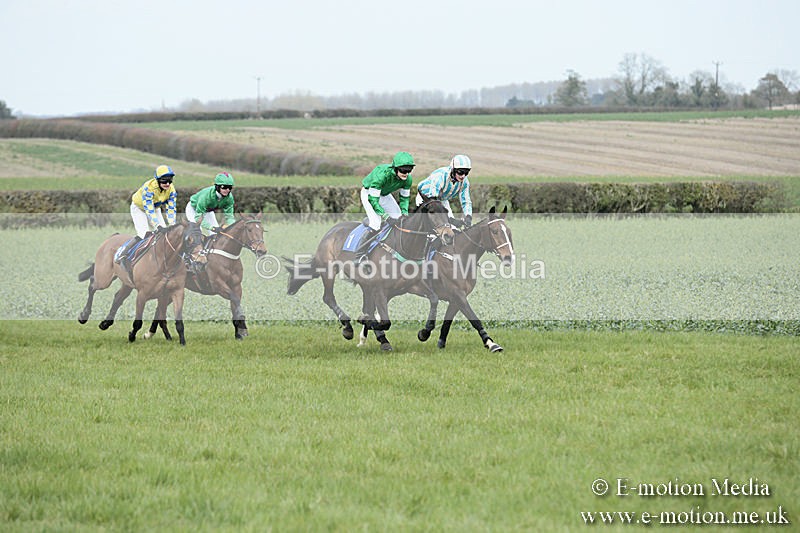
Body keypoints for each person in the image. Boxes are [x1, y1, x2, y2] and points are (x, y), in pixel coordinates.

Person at [354, 151, 415, 260]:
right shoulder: (382, 176)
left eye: (409, 170)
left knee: (399, 219)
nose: (406, 173)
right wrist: (386, 217)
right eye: (403, 170)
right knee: (376, 224)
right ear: (395, 168)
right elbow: (373, 201)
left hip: (384, 194)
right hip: (369, 194)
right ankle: (359, 255)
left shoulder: (408, 179)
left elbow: (404, 198)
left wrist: (405, 212)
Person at [115, 165, 177, 271]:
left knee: (164, 234)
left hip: (155, 207)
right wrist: (157, 225)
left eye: (169, 180)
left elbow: (171, 209)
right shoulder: (149, 187)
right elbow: (149, 210)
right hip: (139, 208)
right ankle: (122, 252)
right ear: (157, 180)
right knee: (144, 234)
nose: (167, 184)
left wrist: (172, 225)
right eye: (164, 180)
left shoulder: (171, 190)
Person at [415, 154, 473, 228]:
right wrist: (451, 220)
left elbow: (466, 201)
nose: (463, 176)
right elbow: (434, 204)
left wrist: (468, 216)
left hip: (442, 200)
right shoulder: (440, 176)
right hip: (426, 199)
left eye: (466, 172)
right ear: (453, 169)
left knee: (452, 229)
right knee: (436, 227)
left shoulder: (465, 182)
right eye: (460, 172)